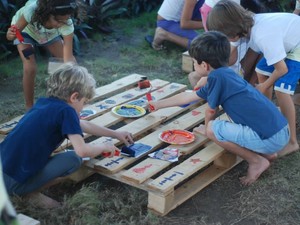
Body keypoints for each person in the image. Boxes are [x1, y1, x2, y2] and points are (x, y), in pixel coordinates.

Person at [148, 31, 289, 185]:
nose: (194, 65)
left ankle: (256, 161)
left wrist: (208, 129)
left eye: (194, 62)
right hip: (281, 131)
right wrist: (158, 105)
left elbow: (211, 110)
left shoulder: (215, 78)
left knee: (214, 128)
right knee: (224, 125)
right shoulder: (227, 73)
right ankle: (267, 153)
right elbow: (189, 96)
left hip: (270, 138)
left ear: (204, 65)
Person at [0, 63, 134, 208]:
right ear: (75, 97)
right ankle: (28, 192)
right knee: (73, 159)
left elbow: (82, 125)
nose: (83, 107)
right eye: (84, 102)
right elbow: (82, 151)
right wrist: (103, 146)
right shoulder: (67, 111)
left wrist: (115, 133)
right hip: (10, 184)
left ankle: (25, 188)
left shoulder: (45, 103)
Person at [206, 0, 300, 157]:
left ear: (234, 33)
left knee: (281, 89)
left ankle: (292, 142)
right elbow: (246, 61)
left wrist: (264, 86)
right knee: (261, 70)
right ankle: (268, 115)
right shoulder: (251, 27)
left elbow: (282, 69)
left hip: (298, 46)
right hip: (290, 42)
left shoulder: (262, 34)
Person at [6, 0, 82, 110]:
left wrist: (75, 77)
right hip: (26, 34)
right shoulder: (31, 11)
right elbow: (11, 36)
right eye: (59, 20)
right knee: (30, 67)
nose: (62, 24)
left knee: (69, 66)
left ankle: (61, 100)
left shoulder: (66, 23)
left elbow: (68, 57)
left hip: (49, 35)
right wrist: (10, 35)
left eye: (65, 20)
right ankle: (29, 107)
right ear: (48, 13)